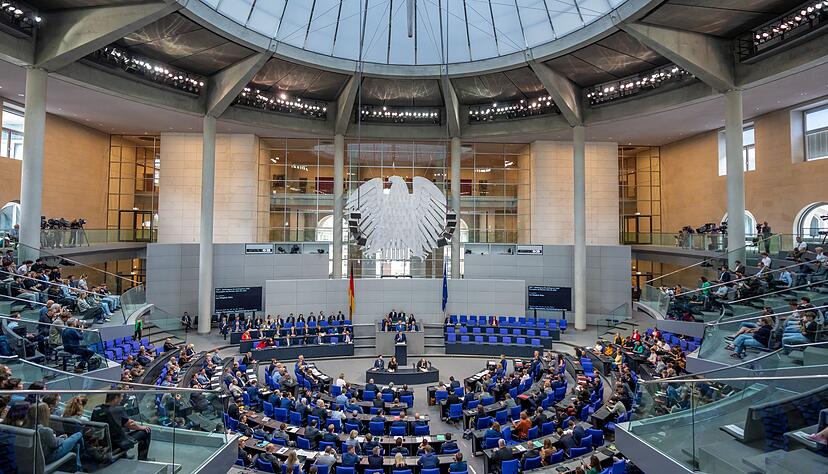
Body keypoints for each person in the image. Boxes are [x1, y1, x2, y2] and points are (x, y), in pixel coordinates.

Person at [91, 393, 152, 460]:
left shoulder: (96, 409)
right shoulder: (117, 409)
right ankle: (143, 458)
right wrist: (141, 427)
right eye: (121, 396)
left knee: (121, 427)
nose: (122, 398)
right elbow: (131, 425)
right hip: (118, 444)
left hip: (103, 444)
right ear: (116, 397)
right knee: (146, 431)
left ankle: (124, 455)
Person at [28, 402, 84, 471]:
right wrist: (63, 438)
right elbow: (55, 444)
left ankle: (78, 466)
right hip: (48, 457)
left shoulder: (25, 428)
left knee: (75, 444)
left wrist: (57, 438)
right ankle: (82, 457)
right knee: (78, 435)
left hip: (33, 458)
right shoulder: (45, 430)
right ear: (44, 415)